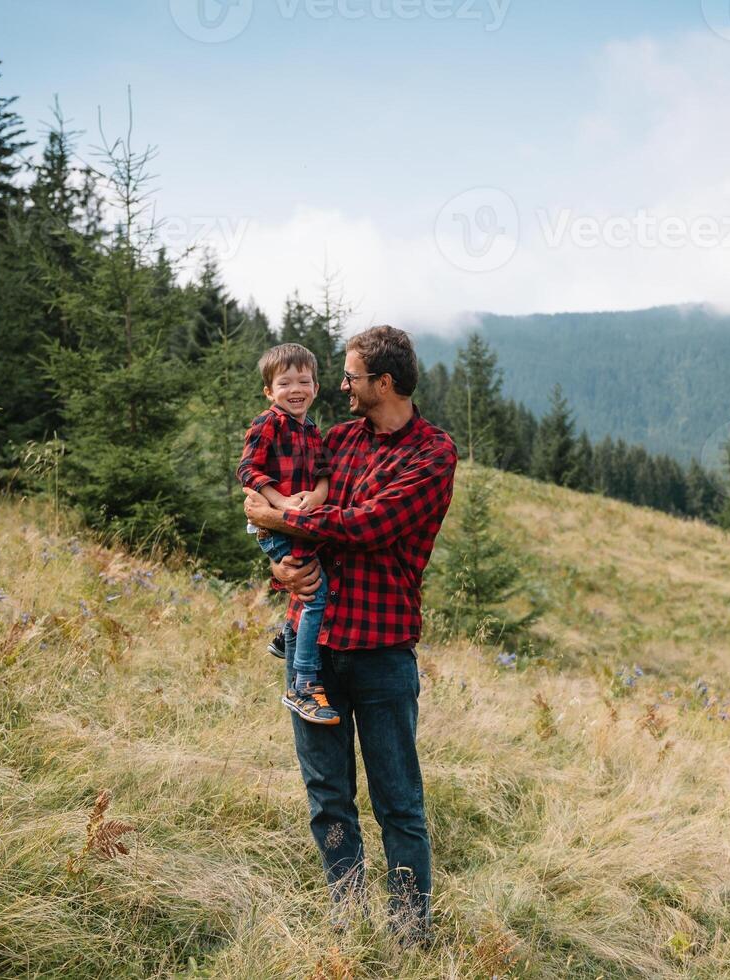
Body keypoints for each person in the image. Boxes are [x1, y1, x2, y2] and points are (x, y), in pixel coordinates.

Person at [244, 324, 457, 944]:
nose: (339, 386)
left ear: (384, 383)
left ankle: (410, 927)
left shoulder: (431, 453)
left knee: (398, 802)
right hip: (315, 649)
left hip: (382, 653)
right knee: (328, 797)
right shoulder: (336, 441)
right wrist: (278, 556)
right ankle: (346, 910)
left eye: (351, 376)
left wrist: (281, 517)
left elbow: (369, 527)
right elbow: (281, 492)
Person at [235, 343, 339, 726]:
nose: (295, 389)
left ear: (315, 386)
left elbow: (325, 476)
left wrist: (315, 496)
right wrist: (280, 504)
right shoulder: (269, 423)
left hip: (300, 520)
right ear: (269, 391)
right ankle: (304, 684)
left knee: (311, 579)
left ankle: (286, 634)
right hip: (274, 524)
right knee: (315, 594)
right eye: (285, 383)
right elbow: (247, 471)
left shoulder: (312, 430)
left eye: (304, 381)